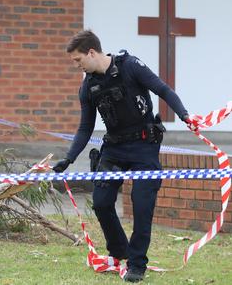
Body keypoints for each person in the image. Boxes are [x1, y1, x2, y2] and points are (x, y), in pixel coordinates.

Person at [52, 30, 195, 283]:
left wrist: (185, 116)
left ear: (92, 52)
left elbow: (163, 89)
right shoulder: (88, 86)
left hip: (143, 147)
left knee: (142, 207)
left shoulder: (131, 66)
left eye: (78, 60)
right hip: (114, 149)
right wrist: (69, 158)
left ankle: (137, 264)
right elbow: (85, 127)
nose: (77, 66)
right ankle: (120, 252)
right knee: (102, 202)